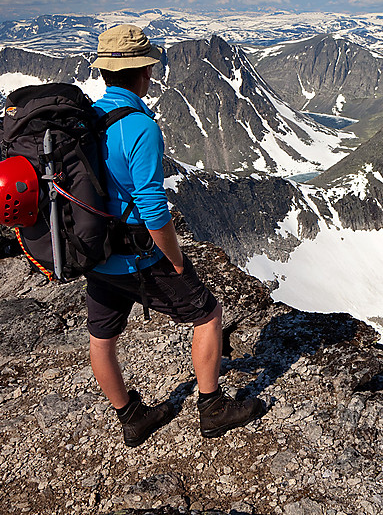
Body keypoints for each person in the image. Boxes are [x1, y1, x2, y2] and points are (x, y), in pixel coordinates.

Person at [86, 24, 263, 447]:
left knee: (101, 339)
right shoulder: (139, 127)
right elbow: (152, 209)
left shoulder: (86, 120)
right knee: (207, 314)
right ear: (143, 72)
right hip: (137, 257)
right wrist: (176, 260)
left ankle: (130, 417)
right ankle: (212, 408)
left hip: (95, 252)